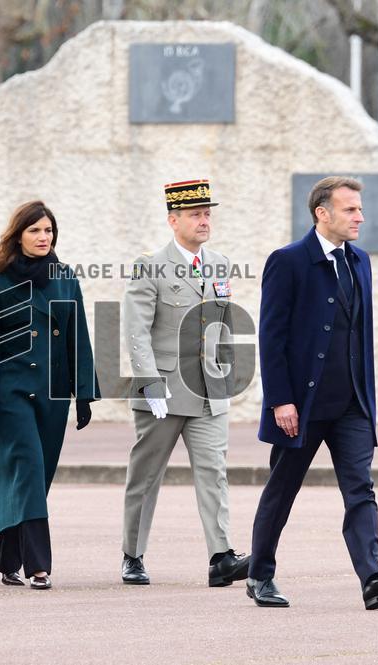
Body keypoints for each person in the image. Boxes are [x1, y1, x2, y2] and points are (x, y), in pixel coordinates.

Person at [246, 176, 378, 610]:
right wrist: (280, 400)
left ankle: (372, 578)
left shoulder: (360, 260)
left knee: (361, 489)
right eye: (350, 209)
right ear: (323, 213)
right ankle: (259, 575)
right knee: (282, 490)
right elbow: (272, 337)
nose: (360, 216)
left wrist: (367, 401)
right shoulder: (288, 261)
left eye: (359, 208)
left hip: (352, 405)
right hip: (301, 406)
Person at [120, 179, 248, 588]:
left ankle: (221, 556)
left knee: (215, 472)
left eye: (207, 213)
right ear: (173, 220)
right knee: (146, 476)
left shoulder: (220, 263)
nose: (204, 221)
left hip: (208, 391)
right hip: (164, 391)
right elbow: (136, 329)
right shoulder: (149, 265)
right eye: (195, 214)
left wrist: (226, 374)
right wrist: (148, 381)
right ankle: (133, 555)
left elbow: (223, 325)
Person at [0, 200, 98, 590]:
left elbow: (78, 336)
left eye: (49, 231)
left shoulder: (65, 277)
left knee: (36, 480)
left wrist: (83, 393)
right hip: (12, 393)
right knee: (27, 469)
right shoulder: (0, 280)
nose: (44, 237)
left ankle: (7, 556)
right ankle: (38, 565)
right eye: (35, 231)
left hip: (53, 394)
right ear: (18, 236)